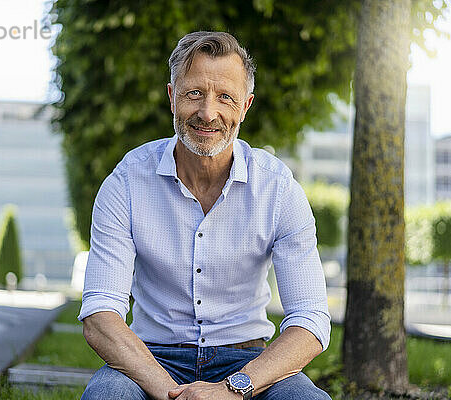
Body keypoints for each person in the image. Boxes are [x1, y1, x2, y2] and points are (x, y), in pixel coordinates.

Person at [79, 31, 331, 400]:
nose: (208, 113)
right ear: (172, 97)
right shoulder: (127, 182)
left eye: (225, 97)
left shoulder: (278, 189)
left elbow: (310, 321)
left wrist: (233, 390)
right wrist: (172, 393)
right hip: (149, 359)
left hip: (247, 363)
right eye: (194, 93)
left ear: (245, 106)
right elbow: (100, 315)